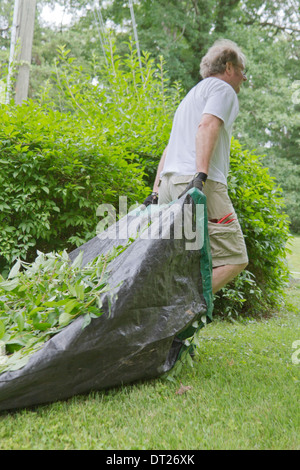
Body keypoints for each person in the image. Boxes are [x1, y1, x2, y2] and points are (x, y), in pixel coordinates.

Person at [143, 39, 249, 294]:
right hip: (196, 182)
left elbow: (169, 149)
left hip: (170, 184)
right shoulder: (223, 90)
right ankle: (182, 310)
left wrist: (156, 191)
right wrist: (201, 175)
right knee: (235, 259)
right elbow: (208, 125)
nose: (244, 79)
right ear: (229, 67)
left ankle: (170, 326)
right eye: (242, 71)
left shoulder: (192, 95)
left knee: (182, 260)